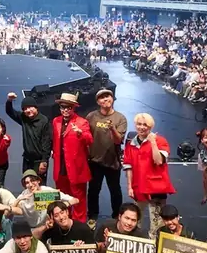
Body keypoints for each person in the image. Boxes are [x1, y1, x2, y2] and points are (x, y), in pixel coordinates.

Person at [122, 113, 175, 234]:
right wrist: (130, 186)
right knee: (135, 219)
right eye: (139, 124)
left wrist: (153, 143)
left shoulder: (160, 141)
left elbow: (158, 160)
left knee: (156, 223)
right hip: (138, 187)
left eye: (145, 125)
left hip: (156, 188)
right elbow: (128, 166)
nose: (141, 127)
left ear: (150, 126)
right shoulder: (131, 144)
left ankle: (155, 247)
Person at [50, 92, 93, 224]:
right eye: (63, 107)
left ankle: (79, 225)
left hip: (76, 168)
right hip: (60, 166)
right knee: (62, 197)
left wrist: (81, 134)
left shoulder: (82, 122)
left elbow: (89, 140)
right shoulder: (56, 121)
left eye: (68, 107)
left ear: (73, 108)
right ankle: (64, 222)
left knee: (78, 199)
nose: (65, 110)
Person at [86, 88, 127, 222]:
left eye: (108, 96)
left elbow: (118, 140)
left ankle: (117, 216)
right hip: (94, 161)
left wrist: (112, 129)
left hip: (112, 161)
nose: (105, 99)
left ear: (112, 98)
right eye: (102, 98)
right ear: (98, 101)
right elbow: (86, 137)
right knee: (93, 191)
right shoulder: (91, 116)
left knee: (115, 191)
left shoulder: (120, 118)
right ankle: (92, 216)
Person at [5, 92, 51, 180]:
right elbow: (10, 112)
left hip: (39, 161)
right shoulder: (23, 118)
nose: (27, 110)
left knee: (39, 187)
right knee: (27, 183)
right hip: (27, 160)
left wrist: (44, 161)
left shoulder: (44, 120)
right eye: (25, 109)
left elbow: (47, 142)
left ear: (36, 107)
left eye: (30, 107)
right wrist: (9, 100)